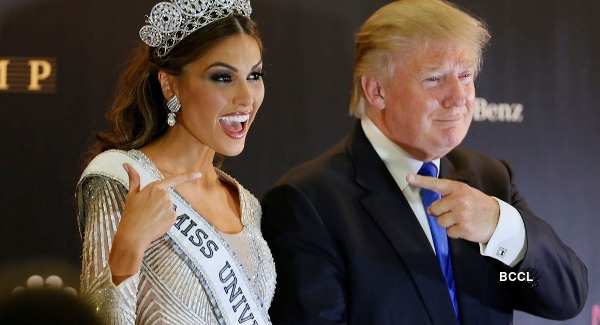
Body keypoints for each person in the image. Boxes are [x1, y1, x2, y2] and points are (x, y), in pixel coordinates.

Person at [261, 0, 588, 324]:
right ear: (377, 91)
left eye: (465, 75)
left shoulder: (490, 179)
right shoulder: (308, 203)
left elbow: (566, 297)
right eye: (434, 79)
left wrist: (499, 227)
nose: (459, 96)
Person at [76, 1, 275, 324]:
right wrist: (128, 246)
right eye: (223, 77)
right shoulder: (122, 179)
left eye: (254, 75)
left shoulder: (245, 203)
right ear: (170, 84)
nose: (247, 97)